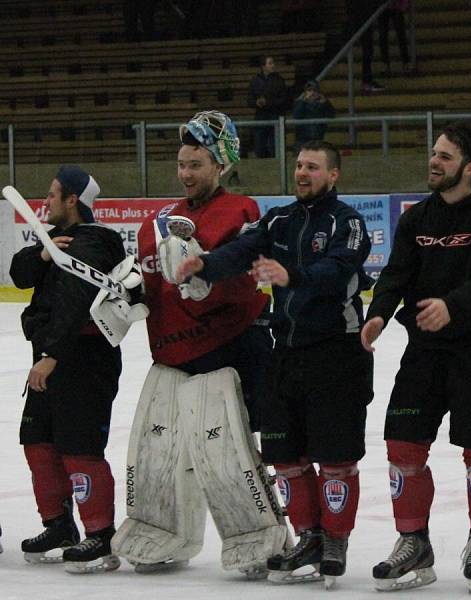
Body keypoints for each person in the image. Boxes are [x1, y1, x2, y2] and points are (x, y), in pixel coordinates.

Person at [174, 140, 374, 588]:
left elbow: (340, 269)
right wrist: (204, 264)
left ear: (333, 175)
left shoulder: (349, 222)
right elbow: (241, 251)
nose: (302, 173)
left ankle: (335, 541)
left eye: (313, 167)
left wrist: (293, 276)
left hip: (336, 353)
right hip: (284, 352)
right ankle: (308, 537)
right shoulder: (279, 219)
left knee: (336, 459)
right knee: (286, 456)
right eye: (299, 165)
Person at [113, 110, 278, 577]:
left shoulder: (242, 210)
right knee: (157, 452)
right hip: (170, 354)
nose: (186, 173)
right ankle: (163, 530)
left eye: (196, 164)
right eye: (182, 164)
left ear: (220, 165)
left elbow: (245, 273)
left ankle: (256, 533)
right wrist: (122, 294)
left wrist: (208, 277)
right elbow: (144, 285)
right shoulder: (156, 223)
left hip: (230, 349)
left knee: (227, 452)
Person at [363, 123, 471, 593]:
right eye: (434, 153)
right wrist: (379, 314)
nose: (434, 161)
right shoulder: (416, 219)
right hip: (425, 353)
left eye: (445, 156)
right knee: (402, 446)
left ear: (469, 168)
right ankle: (413, 542)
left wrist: (452, 306)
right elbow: (396, 274)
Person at [9, 166, 126, 573]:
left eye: (53, 194)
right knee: (37, 441)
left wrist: (52, 355)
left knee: (80, 448)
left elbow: (76, 302)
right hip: (50, 357)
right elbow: (18, 274)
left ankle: (100, 534)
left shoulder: (98, 243)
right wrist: (43, 252)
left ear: (73, 199)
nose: (46, 200)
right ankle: (58, 526)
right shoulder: (58, 241)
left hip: (83, 361)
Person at [248, 55, 288, 158]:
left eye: (273, 63)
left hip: (275, 115)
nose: (273, 65)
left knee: (274, 144)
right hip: (261, 116)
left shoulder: (279, 80)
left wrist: (268, 102)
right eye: (270, 63)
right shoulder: (255, 81)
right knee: (260, 144)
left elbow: (284, 99)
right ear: (263, 66)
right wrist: (256, 102)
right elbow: (249, 99)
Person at [345, 0, 386, 92]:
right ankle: (367, 81)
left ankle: (367, 81)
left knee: (368, 49)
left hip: (360, 18)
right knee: (368, 50)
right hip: (361, 18)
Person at [292, 79, 335, 149]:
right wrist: (303, 102)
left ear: (319, 92)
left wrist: (326, 103)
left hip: (318, 140)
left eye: (315, 90)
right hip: (302, 141)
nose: (312, 93)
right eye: (309, 90)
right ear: (305, 92)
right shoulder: (299, 103)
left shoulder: (323, 104)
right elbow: (296, 116)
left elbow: (332, 115)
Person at [378, 0, 411, 76]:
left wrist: (404, 4)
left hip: (396, 6)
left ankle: (405, 62)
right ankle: (386, 63)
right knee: (383, 36)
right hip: (383, 7)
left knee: (400, 34)